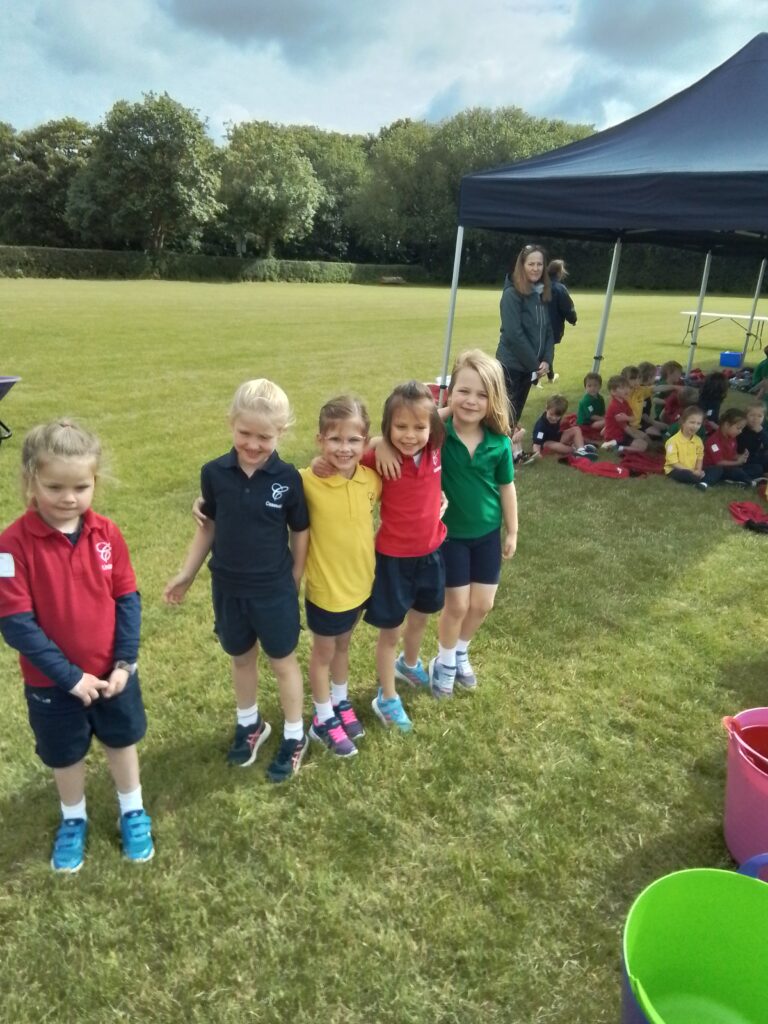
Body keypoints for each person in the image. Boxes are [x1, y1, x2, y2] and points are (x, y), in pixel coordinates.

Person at [0, 419, 153, 873]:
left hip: (112, 675)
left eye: (81, 486)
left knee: (121, 741)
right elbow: (16, 624)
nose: (69, 497)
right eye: (55, 486)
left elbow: (127, 598)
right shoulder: (11, 545)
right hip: (54, 684)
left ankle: (133, 810)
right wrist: (69, 677)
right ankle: (73, 820)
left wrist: (124, 661)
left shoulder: (107, 533)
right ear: (31, 480)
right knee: (65, 754)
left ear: (95, 483)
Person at [164, 379, 310, 784]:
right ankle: (251, 725)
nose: (253, 443)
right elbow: (208, 527)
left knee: (282, 662)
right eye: (245, 433)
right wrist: (187, 573)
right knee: (241, 656)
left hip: (273, 589)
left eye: (264, 436)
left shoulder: (288, 479)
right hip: (228, 587)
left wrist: (294, 577)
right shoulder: (214, 474)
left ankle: (295, 735)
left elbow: (300, 531)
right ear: (231, 424)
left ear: (281, 433)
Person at [426, 350, 518, 697]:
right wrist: (448, 409)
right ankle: (444, 661)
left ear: (493, 400)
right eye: (464, 391)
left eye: (482, 394)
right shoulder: (438, 434)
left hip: (486, 536)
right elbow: (420, 419)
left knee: (482, 604)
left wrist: (512, 530)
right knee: (457, 605)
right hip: (450, 537)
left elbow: (507, 488)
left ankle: (460, 651)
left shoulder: (499, 443)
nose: (472, 400)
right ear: (449, 392)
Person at [299, 396, 381, 758]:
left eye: (353, 440)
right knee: (323, 652)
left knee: (344, 647)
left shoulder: (371, 480)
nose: (343, 448)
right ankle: (321, 719)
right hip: (326, 590)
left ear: (365, 442)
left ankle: (340, 701)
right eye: (334, 440)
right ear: (320, 440)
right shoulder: (305, 481)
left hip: (361, 585)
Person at [363, 381, 446, 731]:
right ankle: (386, 697)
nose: (410, 435)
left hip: (431, 553)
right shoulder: (381, 456)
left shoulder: (436, 448)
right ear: (387, 427)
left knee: (422, 617)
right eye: (399, 428)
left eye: (418, 428)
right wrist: (378, 444)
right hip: (394, 560)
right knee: (390, 631)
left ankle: (409, 665)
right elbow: (346, 451)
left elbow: (446, 412)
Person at [496, 244, 555, 424]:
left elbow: (548, 330)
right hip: (511, 366)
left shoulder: (539, 293)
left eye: (539, 264)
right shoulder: (512, 294)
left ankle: (508, 451)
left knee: (514, 415)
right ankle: (499, 452)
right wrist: (536, 365)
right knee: (502, 416)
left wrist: (547, 360)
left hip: (529, 368)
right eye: (531, 264)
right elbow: (514, 335)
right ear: (522, 266)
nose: (536, 268)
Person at [664, 405, 719, 489]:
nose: (695, 426)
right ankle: (702, 481)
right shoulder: (672, 441)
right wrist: (693, 472)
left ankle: (703, 484)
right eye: (692, 422)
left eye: (698, 423)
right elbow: (673, 463)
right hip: (677, 470)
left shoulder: (698, 441)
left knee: (717, 469)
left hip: (694, 470)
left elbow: (700, 458)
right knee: (686, 474)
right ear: (683, 422)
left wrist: (698, 470)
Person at [528, 395, 595, 460]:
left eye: (557, 416)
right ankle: (574, 451)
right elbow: (537, 443)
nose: (554, 418)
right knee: (550, 444)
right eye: (551, 414)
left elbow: (563, 424)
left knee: (576, 429)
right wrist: (537, 453)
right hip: (546, 444)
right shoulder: (541, 426)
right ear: (546, 409)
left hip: (557, 437)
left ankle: (581, 450)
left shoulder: (558, 418)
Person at [543, 258, 577, 384]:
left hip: (534, 324)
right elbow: (567, 307)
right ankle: (543, 378)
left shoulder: (538, 286)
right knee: (547, 352)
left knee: (541, 350)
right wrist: (573, 319)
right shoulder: (559, 288)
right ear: (559, 272)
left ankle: (546, 376)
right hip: (551, 326)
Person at [703, 407, 758, 484]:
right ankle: (747, 480)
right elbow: (719, 462)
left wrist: (741, 456)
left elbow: (731, 455)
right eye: (738, 428)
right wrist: (738, 462)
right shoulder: (713, 441)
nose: (740, 431)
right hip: (714, 469)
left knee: (756, 467)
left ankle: (746, 479)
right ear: (726, 425)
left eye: (741, 429)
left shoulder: (732, 438)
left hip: (729, 467)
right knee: (733, 471)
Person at [601, 374, 649, 452]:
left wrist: (627, 418)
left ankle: (614, 445)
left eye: (627, 387)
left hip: (623, 432)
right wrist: (635, 436)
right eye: (622, 388)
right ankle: (618, 448)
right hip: (617, 436)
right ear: (613, 392)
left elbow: (633, 417)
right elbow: (625, 427)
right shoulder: (615, 406)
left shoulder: (624, 402)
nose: (627, 390)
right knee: (643, 446)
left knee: (645, 437)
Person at [737, 400, 768, 474]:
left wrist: (761, 432)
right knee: (758, 468)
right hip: (742, 458)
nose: (755, 418)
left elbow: (766, 445)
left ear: (764, 418)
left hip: (755, 457)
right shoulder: (741, 429)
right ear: (745, 416)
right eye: (752, 415)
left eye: (759, 416)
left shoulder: (762, 430)